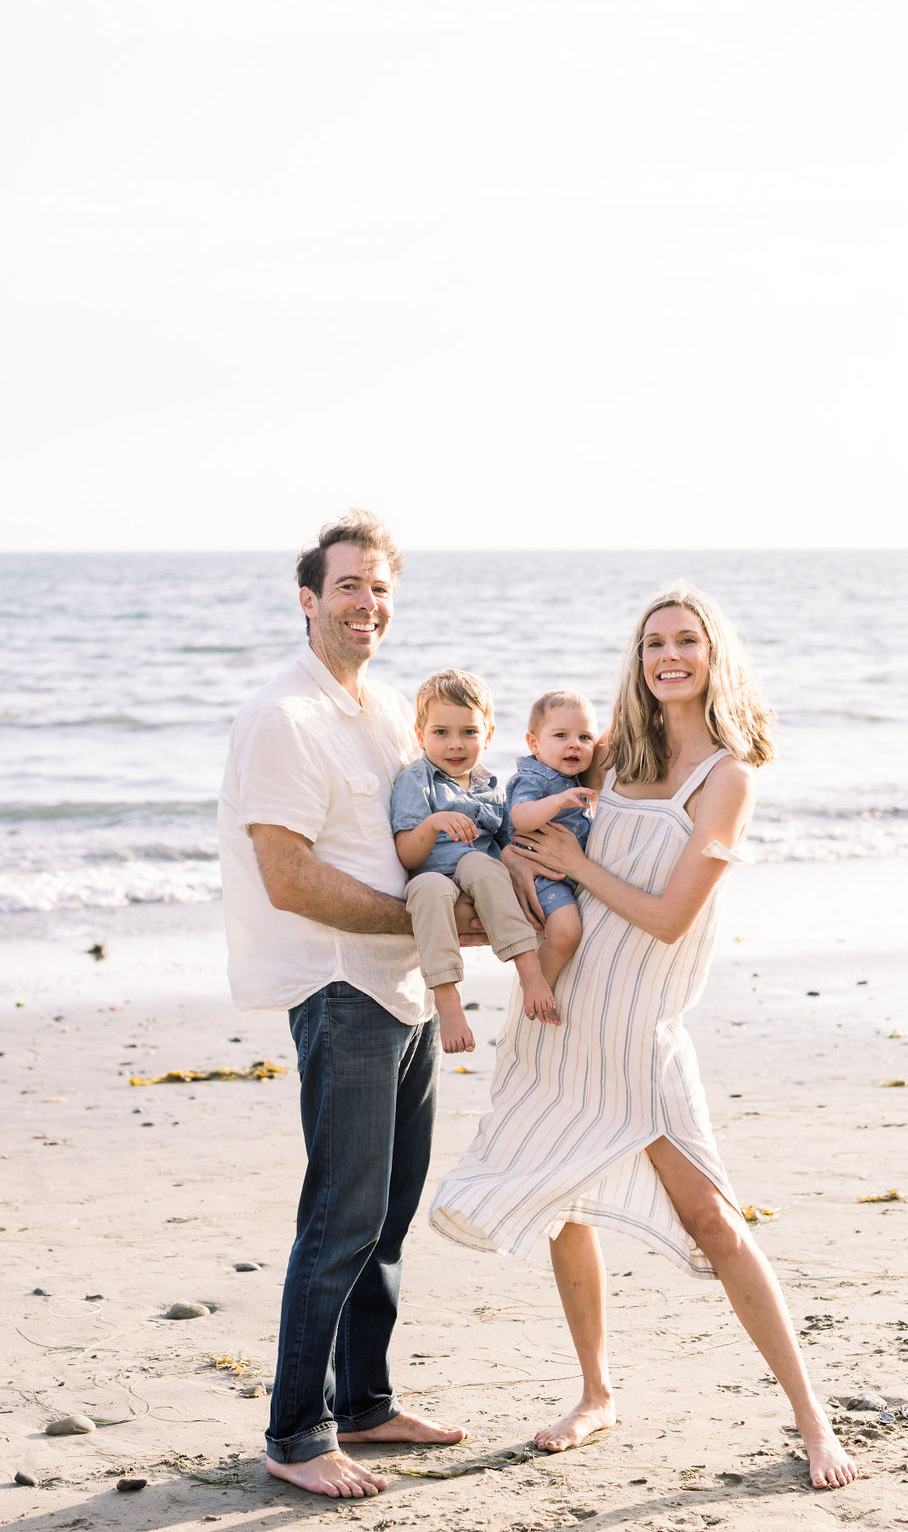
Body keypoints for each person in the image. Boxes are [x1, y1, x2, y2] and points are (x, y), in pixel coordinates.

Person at [430, 587, 857, 1491]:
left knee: (714, 1218)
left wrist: (578, 866)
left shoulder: (728, 778)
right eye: (654, 641)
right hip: (562, 1012)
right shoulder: (614, 756)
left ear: (713, 654)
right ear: (639, 658)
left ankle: (813, 1420)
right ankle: (595, 1392)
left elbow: (669, 918)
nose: (669, 654)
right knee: (565, 1198)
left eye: (686, 640)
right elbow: (515, 821)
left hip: (642, 1027)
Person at [218, 513, 534, 1500]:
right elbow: (287, 875)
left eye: (380, 589)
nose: (367, 604)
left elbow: (441, 817)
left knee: (388, 1215)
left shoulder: (387, 706)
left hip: (401, 987)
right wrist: (415, 919)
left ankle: (364, 1402)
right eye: (349, 585)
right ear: (308, 597)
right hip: (338, 986)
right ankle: (295, 1430)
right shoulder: (285, 716)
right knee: (341, 1215)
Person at [390, 669, 559, 1055]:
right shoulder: (416, 781)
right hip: (430, 875)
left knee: (481, 865)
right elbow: (406, 854)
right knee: (430, 889)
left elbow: (506, 846)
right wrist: (433, 824)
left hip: (475, 872)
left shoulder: (491, 787)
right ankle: (449, 1004)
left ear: (489, 734)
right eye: (440, 733)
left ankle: (529, 970)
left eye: (469, 732)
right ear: (420, 735)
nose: (455, 744)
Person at [505, 689, 599, 989]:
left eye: (585, 738)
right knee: (566, 932)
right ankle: (537, 984)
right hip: (543, 873)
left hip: (565, 871)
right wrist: (557, 802)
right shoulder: (535, 779)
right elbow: (520, 816)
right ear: (534, 743)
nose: (575, 744)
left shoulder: (568, 778)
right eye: (561, 735)